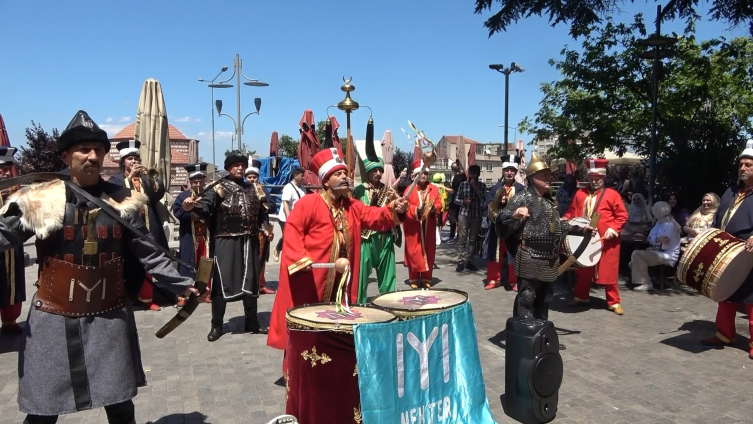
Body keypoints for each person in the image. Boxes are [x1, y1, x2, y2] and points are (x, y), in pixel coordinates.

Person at [0, 110, 200, 423]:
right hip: (54, 315)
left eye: (98, 149)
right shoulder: (42, 199)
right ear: (66, 155)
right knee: (42, 413)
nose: (92, 155)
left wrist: (181, 283)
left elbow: (151, 253)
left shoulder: (123, 200)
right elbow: (4, 234)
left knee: (121, 407)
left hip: (109, 317)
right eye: (83, 149)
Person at [267, 148, 408, 352]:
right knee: (306, 330)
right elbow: (292, 232)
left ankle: (331, 368)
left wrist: (394, 208)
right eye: (338, 174)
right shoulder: (308, 203)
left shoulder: (352, 206)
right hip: (312, 279)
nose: (344, 177)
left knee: (335, 327)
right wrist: (301, 259)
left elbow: (375, 216)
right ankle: (300, 376)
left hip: (341, 282)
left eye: (345, 173)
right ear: (325, 180)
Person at [497, 153, 591, 320]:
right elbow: (501, 217)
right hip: (529, 256)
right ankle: (523, 334)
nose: (549, 178)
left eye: (549, 174)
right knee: (527, 296)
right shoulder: (524, 197)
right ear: (533, 178)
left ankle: (540, 335)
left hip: (548, 258)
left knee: (544, 297)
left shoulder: (549, 203)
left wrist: (581, 230)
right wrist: (515, 214)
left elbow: (559, 226)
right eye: (544, 175)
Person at [192, 151, 272, 341]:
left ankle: (251, 321)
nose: (240, 168)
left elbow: (262, 214)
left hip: (249, 240)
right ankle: (217, 325)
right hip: (226, 241)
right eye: (236, 165)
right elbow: (205, 207)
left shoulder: (254, 188)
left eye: (242, 165)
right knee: (221, 283)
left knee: (251, 282)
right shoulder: (218, 188)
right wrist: (192, 207)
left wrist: (266, 229)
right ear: (228, 168)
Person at [701, 141, 753, 360]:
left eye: (749, 165)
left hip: (750, 253)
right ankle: (724, 333)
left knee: (752, 299)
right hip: (727, 251)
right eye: (741, 164)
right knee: (727, 293)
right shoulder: (730, 191)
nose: (743, 168)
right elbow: (719, 219)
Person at [108, 140, 170, 311]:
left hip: (148, 227)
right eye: (130, 159)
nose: (134, 161)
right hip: (126, 230)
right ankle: (126, 297)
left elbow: (158, 193)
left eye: (136, 158)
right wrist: (129, 178)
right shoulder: (116, 179)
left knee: (149, 263)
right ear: (123, 162)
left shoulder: (145, 180)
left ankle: (147, 298)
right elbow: (116, 195)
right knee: (127, 264)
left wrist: (152, 178)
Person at [564, 158, 628, 315]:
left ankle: (614, 302)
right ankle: (581, 296)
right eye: (592, 179)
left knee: (609, 272)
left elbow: (622, 215)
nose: (594, 182)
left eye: (598, 179)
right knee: (584, 270)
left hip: (607, 241)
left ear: (604, 178)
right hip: (585, 239)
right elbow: (572, 211)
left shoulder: (612, 195)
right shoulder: (580, 193)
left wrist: (614, 229)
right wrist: (565, 218)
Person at [353, 155, 399, 303]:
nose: (378, 173)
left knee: (388, 276)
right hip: (365, 240)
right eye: (375, 170)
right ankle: (359, 306)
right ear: (368, 172)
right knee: (360, 276)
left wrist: (394, 199)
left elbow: (395, 214)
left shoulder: (389, 191)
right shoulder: (358, 190)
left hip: (384, 238)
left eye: (380, 170)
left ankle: (388, 305)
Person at [172, 163, 211, 305]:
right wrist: (187, 209)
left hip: (206, 236)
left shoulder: (209, 195)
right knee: (187, 264)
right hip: (189, 236)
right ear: (190, 181)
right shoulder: (183, 196)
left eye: (201, 180)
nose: (198, 183)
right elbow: (177, 213)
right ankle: (184, 294)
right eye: (195, 181)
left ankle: (205, 291)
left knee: (206, 263)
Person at [484, 154, 524, 290]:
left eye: (512, 170)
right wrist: (496, 203)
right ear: (503, 171)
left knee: (515, 254)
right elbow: (488, 204)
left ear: (516, 172)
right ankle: (494, 279)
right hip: (497, 228)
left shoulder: (521, 189)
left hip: (514, 228)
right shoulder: (495, 188)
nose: (509, 173)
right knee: (494, 254)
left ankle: (515, 281)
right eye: (507, 170)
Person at [403, 159, 442, 289]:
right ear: (415, 175)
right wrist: (416, 210)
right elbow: (405, 206)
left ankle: (426, 278)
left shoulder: (434, 189)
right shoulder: (409, 189)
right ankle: (413, 278)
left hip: (428, 226)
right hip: (413, 227)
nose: (423, 175)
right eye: (421, 173)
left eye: (425, 173)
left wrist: (433, 209)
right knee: (414, 251)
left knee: (429, 252)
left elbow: (439, 204)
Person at [629, 201, 682, 291]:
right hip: (658, 251)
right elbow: (650, 238)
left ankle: (646, 283)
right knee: (633, 262)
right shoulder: (659, 222)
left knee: (637, 254)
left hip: (668, 255)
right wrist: (656, 239)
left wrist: (655, 239)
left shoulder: (670, 224)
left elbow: (664, 241)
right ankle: (647, 278)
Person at [0, 147, 25, 334]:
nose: (6, 173)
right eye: (1, 170)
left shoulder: (17, 192)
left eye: (8, 169)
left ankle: (10, 320)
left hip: (11, 248)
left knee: (11, 283)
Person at [245, 161, 276, 295]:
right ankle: (247, 286)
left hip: (262, 230)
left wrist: (264, 205)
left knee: (262, 257)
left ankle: (261, 285)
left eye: (254, 177)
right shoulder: (243, 191)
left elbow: (273, 206)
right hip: (247, 230)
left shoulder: (264, 191)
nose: (252, 179)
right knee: (247, 258)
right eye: (249, 177)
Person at [455, 164, 487, 272]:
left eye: (475, 174)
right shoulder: (463, 185)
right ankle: (460, 261)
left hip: (476, 216)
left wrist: (476, 189)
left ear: (478, 174)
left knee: (473, 240)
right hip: (464, 215)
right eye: (471, 173)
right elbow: (456, 200)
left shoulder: (482, 186)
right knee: (462, 239)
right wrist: (464, 201)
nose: (473, 176)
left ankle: (470, 261)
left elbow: (484, 201)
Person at [273, 167, 305, 262]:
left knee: (296, 237)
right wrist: (289, 218)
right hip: (285, 218)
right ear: (295, 175)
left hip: (299, 218)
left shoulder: (303, 188)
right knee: (287, 236)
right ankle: (278, 248)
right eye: (301, 175)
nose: (303, 177)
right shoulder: (288, 187)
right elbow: (285, 203)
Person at [446, 160, 466, 243]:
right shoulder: (464, 176)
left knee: (452, 219)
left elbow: (453, 191)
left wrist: (444, 188)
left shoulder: (456, 178)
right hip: (462, 201)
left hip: (455, 201)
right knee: (460, 220)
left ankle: (451, 237)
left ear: (453, 170)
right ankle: (458, 237)